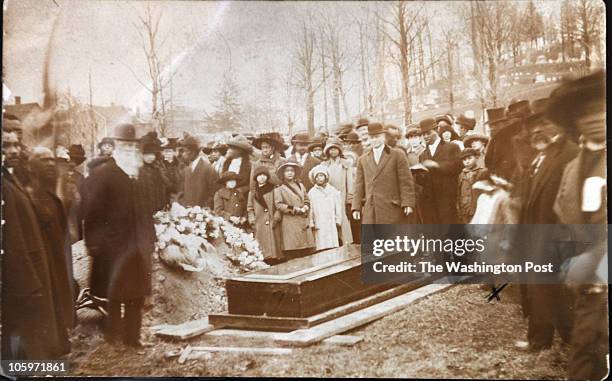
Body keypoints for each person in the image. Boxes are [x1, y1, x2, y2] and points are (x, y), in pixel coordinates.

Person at [549, 70, 608, 381]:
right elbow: (565, 219)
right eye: (585, 113)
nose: (595, 118)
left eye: (601, 109)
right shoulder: (572, 168)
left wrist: (592, 260)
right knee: (584, 354)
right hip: (590, 291)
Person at [513, 95, 579, 353]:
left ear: (561, 124)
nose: (538, 129)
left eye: (546, 123)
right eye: (534, 125)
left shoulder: (571, 154)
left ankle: (571, 338)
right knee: (539, 289)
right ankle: (541, 339)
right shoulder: (540, 156)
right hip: (535, 234)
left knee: (557, 291)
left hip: (557, 236)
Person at [83, 123, 155, 347]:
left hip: (137, 244)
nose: (130, 149)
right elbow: (92, 212)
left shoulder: (140, 175)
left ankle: (133, 338)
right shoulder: (104, 174)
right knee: (114, 293)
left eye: (133, 145)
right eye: (124, 144)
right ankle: (113, 335)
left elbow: (146, 211)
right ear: (114, 146)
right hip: (113, 244)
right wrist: (93, 243)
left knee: (136, 294)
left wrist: (150, 238)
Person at [1, 128, 67, 360]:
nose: (13, 150)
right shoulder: (10, 184)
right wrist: (27, 276)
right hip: (22, 272)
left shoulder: (12, 179)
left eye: (16, 145)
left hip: (35, 265)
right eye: (6, 146)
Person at [26, 147, 77, 345]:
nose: (49, 164)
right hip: (40, 262)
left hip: (56, 260)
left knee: (57, 300)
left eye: (51, 160)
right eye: (43, 160)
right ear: (32, 167)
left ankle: (58, 343)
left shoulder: (51, 198)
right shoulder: (28, 197)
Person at [352, 122, 416, 224]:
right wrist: (356, 207)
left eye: (377, 136)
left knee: (391, 238)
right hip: (371, 210)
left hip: (392, 208)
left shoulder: (397, 155)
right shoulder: (363, 159)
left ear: (383, 137)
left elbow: (405, 181)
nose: (374, 140)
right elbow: (358, 186)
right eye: (372, 137)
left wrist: (407, 203)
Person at [418, 118, 462, 224]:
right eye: (423, 134)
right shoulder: (423, 154)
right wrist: (418, 173)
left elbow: (458, 167)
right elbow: (422, 181)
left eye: (428, 133)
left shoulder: (451, 147)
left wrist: (436, 165)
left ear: (437, 130)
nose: (425, 136)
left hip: (447, 201)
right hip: (429, 203)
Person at [274, 160, 315, 260]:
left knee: (305, 252)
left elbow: (306, 199)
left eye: (292, 170)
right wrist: (294, 209)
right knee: (293, 251)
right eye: (287, 171)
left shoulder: (301, 185)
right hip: (290, 223)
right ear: (283, 174)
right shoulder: (279, 188)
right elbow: (278, 204)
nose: (290, 173)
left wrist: (306, 206)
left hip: (303, 223)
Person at [247, 166, 283, 265]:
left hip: (272, 221)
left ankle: (275, 260)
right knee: (262, 248)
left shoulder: (273, 189)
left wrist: (277, 215)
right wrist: (252, 219)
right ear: (255, 178)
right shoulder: (253, 193)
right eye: (259, 175)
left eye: (264, 175)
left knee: (274, 246)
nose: (262, 177)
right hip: (259, 223)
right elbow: (250, 208)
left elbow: (278, 205)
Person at [320, 138, 354, 246]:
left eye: (335, 149)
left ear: (339, 150)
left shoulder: (346, 164)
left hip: (342, 195)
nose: (333, 151)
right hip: (329, 195)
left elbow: (350, 182)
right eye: (331, 149)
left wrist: (349, 198)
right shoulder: (324, 165)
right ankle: (333, 242)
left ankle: (346, 242)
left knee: (343, 218)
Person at [308, 165, 343, 251]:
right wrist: (311, 222)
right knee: (321, 245)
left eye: (321, 175)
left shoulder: (332, 190)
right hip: (319, 222)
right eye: (317, 176)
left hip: (331, 222)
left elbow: (338, 207)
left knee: (333, 245)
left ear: (325, 177)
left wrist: (338, 220)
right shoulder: (312, 193)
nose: (319, 178)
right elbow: (310, 209)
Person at [178, 135, 219, 208]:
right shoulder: (186, 169)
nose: (183, 154)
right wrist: (182, 204)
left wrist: (204, 209)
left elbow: (215, 193)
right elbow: (181, 191)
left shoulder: (208, 169)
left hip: (202, 215)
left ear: (193, 152)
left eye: (186, 151)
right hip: (186, 213)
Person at [139, 136, 170, 214]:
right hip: (143, 209)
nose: (150, 157)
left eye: (152, 154)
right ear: (142, 155)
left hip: (158, 208)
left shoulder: (157, 168)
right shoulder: (138, 170)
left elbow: (165, 186)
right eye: (146, 154)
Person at [456, 148, 488, 224]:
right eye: (464, 160)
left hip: (478, 208)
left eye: (469, 158)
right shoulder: (461, 174)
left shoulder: (482, 172)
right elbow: (459, 192)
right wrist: (459, 207)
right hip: (465, 208)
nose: (467, 161)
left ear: (476, 158)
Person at [160, 138, 181, 204]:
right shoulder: (160, 164)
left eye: (170, 151)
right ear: (163, 153)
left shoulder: (179, 164)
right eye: (166, 151)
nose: (168, 153)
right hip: (163, 196)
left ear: (174, 152)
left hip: (176, 196)